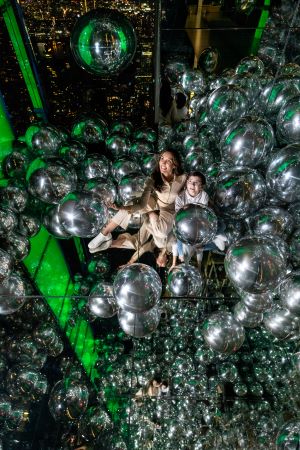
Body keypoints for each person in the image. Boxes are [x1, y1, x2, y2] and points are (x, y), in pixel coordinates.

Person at [88, 150, 186, 265]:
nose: (163, 163)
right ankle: (104, 233)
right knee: (133, 202)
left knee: (158, 235)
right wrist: (122, 208)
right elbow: (141, 204)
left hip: (167, 213)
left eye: (168, 161)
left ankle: (110, 244)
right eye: (161, 159)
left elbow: (143, 248)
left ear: (175, 165)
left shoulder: (183, 178)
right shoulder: (153, 179)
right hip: (155, 205)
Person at [170, 171, 227, 271]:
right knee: (180, 235)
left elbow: (203, 216)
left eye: (196, 182)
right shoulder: (180, 197)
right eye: (190, 181)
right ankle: (213, 238)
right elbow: (178, 218)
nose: (192, 184)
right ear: (186, 183)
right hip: (185, 226)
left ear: (201, 186)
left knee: (222, 225)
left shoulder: (204, 195)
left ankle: (214, 235)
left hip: (200, 223)